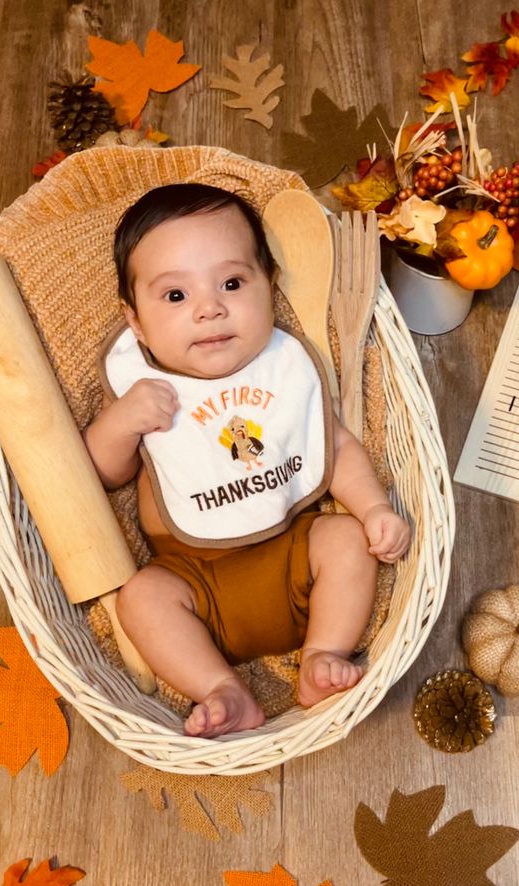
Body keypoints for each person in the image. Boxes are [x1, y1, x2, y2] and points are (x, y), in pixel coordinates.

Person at [84, 183, 410, 737]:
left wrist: (375, 508)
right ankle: (221, 687)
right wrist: (121, 424)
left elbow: (334, 450)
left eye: (232, 283)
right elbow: (102, 475)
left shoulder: (283, 370)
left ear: (269, 286)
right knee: (141, 598)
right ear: (136, 321)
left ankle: (320, 656)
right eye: (175, 297)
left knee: (347, 539)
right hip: (195, 580)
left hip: (292, 556)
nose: (210, 308)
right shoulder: (140, 388)